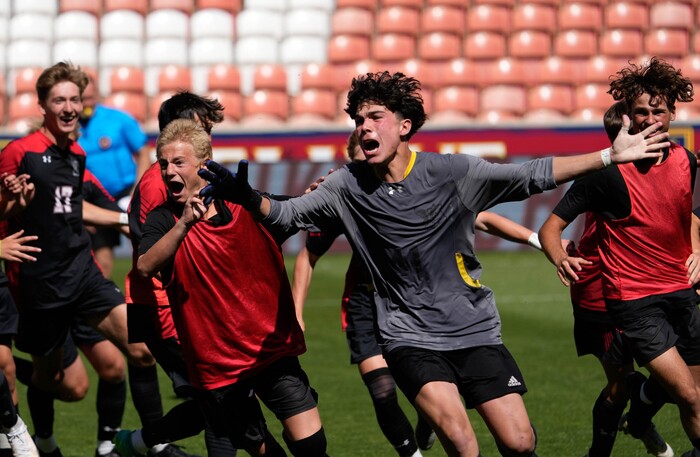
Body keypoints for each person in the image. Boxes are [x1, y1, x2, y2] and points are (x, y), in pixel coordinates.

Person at [198, 70, 669, 457]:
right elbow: (289, 216)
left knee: (521, 443)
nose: (364, 127)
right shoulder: (344, 185)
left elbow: (530, 175)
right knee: (463, 446)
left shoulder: (453, 172)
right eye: (359, 119)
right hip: (408, 337)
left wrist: (610, 155)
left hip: (475, 330)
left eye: (375, 117)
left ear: (404, 126)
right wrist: (249, 198)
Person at [291, 132, 551, 457]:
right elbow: (308, 254)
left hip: (422, 303)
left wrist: (536, 240)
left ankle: (433, 414)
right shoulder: (343, 193)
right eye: (358, 163)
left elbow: (480, 217)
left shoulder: (417, 189)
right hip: (366, 303)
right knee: (383, 391)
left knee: (517, 439)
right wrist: (296, 311)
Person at [131, 119, 327, 457]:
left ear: (204, 164)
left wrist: (311, 197)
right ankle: (139, 441)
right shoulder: (164, 219)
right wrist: (184, 224)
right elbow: (146, 266)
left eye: (178, 162)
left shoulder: (243, 205)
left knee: (312, 447)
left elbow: (290, 212)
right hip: (219, 364)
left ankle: (137, 441)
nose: (167, 171)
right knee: (260, 449)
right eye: (163, 163)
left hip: (269, 348)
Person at [537, 57, 700, 457]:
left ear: (671, 114)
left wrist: (697, 251)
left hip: (682, 291)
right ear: (627, 115)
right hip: (634, 301)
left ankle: (641, 414)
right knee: (689, 396)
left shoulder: (686, 161)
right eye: (640, 111)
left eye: (657, 110)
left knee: (686, 392)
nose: (648, 119)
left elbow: (687, 214)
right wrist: (560, 257)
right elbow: (550, 227)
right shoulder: (604, 172)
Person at [0, 61, 154, 453]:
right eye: (59, 100)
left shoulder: (76, 152)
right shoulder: (18, 153)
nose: (69, 107)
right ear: (43, 106)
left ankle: (142, 443)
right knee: (61, 384)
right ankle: (44, 438)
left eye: (75, 99)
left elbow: (75, 207)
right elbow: (3, 206)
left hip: (86, 274)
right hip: (40, 285)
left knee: (141, 348)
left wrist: (126, 220)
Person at [120, 91, 236, 457]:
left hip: (168, 302)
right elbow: (153, 256)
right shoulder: (164, 183)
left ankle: (140, 444)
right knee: (220, 399)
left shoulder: (180, 175)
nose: (209, 139)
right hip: (163, 306)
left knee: (220, 400)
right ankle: (140, 444)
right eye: (204, 129)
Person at [78, 75, 150, 278]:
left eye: (90, 97)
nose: (87, 104)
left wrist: (139, 187)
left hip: (126, 193)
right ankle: (103, 302)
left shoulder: (118, 119)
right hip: (93, 198)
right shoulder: (70, 126)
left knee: (144, 240)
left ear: (98, 95)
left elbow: (143, 151)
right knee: (101, 253)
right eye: (82, 99)